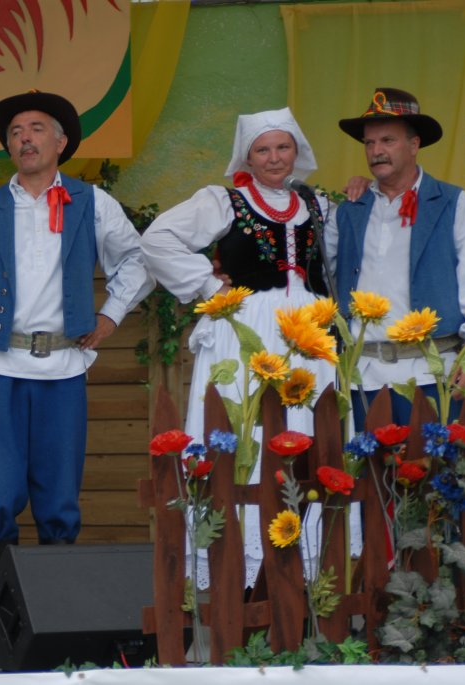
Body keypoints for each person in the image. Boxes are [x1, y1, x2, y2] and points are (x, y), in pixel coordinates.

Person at [140, 107, 348, 588]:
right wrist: (208, 286)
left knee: (306, 426)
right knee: (243, 425)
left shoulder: (319, 206)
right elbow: (158, 239)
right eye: (263, 149)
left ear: (296, 151)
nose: (274, 158)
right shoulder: (224, 202)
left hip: (308, 333)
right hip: (246, 328)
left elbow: (336, 262)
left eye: (282, 147)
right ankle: (244, 560)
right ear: (247, 157)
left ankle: (302, 559)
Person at [0, 92, 152, 584]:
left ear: (61, 143)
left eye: (36, 128)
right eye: (16, 132)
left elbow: (137, 260)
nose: (25, 138)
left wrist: (109, 316)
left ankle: (55, 606)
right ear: (8, 148)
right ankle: (2, 611)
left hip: (63, 367)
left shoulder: (91, 201)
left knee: (59, 498)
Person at [331, 88, 465, 428]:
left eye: (388, 140)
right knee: (365, 464)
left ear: (414, 145)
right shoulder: (349, 209)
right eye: (369, 143)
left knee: (433, 462)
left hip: (432, 373)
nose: (376, 151)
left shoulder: (452, 203)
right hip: (362, 377)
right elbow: (320, 274)